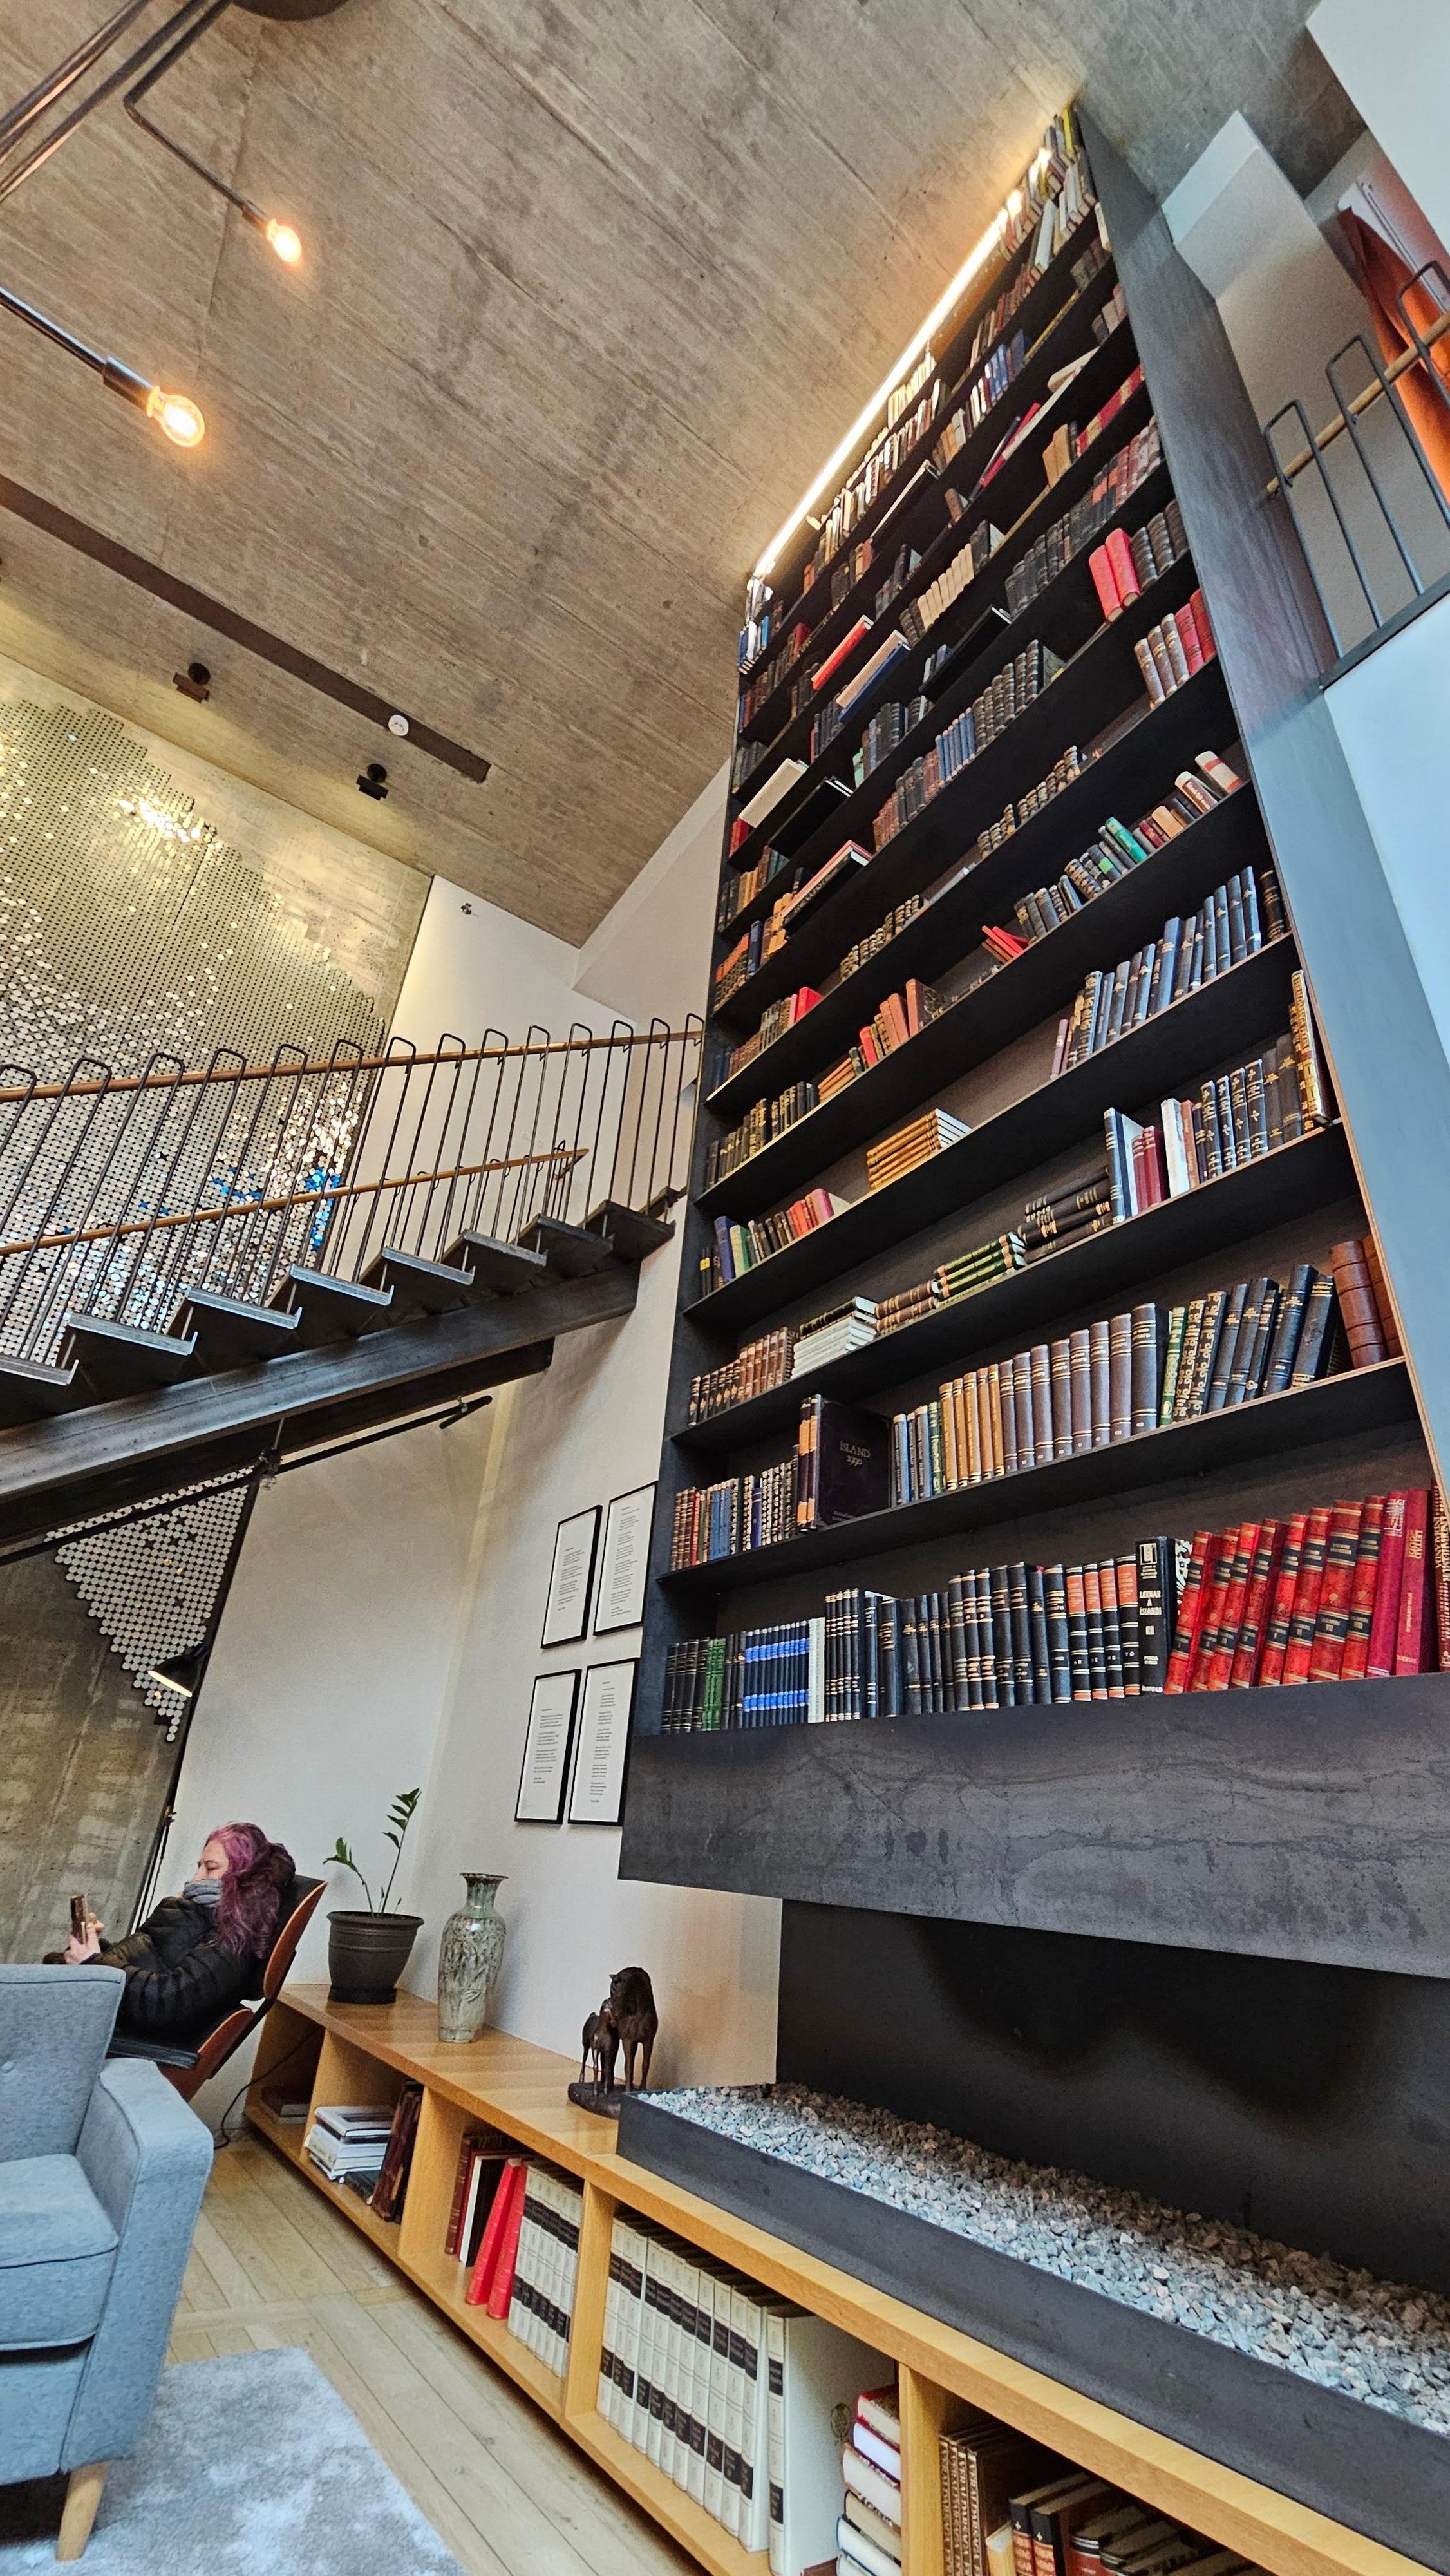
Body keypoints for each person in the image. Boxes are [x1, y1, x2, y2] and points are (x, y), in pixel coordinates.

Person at [66, 1822, 296, 2050]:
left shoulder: (233, 1942)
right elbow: (155, 1960)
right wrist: (95, 1949)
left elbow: (169, 2000)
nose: (195, 1878)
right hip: (99, 2011)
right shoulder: (198, 1915)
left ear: (244, 1877)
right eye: (199, 1866)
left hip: (119, 2031)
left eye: (210, 1867)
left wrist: (96, 1965)